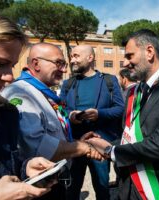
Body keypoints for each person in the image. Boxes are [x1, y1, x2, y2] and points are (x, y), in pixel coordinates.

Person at [87, 29, 159, 199]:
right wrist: (102, 143)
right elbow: (130, 137)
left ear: (149, 52)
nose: (125, 63)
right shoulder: (134, 93)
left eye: (130, 56)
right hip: (128, 188)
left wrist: (110, 151)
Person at [1, 43, 102, 199]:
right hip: (39, 188)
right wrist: (85, 147)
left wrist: (74, 141)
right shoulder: (22, 94)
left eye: (64, 64)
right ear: (36, 64)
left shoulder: (41, 92)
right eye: (59, 63)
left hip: (51, 181)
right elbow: (38, 147)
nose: (64, 69)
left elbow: (52, 133)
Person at [0, 7, 56, 200]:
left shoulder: (6, 112)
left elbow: (4, 166)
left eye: (12, 65)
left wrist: (26, 167)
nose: (9, 77)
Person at [59, 45, 124, 200]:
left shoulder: (109, 80)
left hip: (100, 145)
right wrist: (70, 115)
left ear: (90, 58)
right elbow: (60, 110)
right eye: (71, 56)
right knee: (72, 189)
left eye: (76, 56)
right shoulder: (68, 84)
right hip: (75, 145)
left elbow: (120, 108)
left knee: (102, 189)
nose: (72, 60)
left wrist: (99, 114)